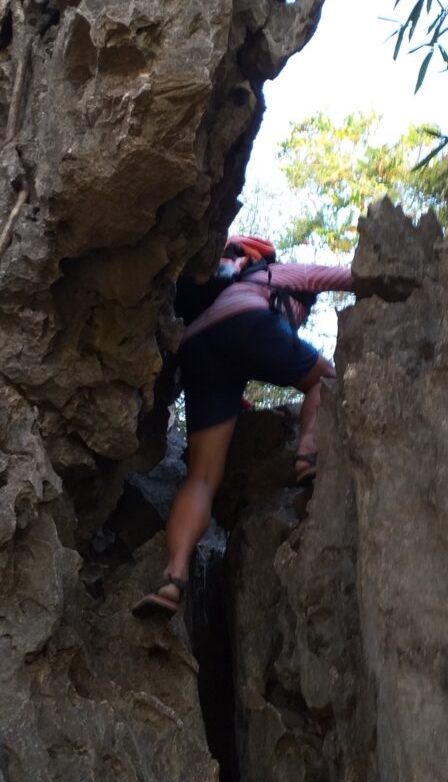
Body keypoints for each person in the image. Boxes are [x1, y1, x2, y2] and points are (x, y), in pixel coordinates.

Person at [132, 235, 354, 618]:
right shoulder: (274, 273)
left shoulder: (217, 294)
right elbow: (347, 277)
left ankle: (172, 577)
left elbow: (228, 368)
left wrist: (238, 406)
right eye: (304, 310)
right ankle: (308, 453)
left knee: (202, 477)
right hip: (248, 324)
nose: (302, 316)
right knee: (327, 381)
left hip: (197, 349)